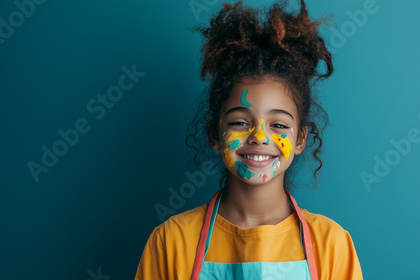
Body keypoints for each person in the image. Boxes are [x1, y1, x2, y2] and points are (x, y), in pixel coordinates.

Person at [134, 0, 363, 279]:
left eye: (278, 124)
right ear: (214, 134)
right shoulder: (172, 241)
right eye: (241, 122)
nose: (259, 137)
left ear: (300, 139)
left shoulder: (331, 244)